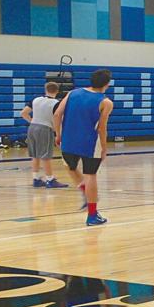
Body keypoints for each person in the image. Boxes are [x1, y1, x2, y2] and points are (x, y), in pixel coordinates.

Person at [53, 68, 114, 226]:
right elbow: (101, 128)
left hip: (68, 140)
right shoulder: (106, 102)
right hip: (90, 143)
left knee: (70, 167)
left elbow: (57, 114)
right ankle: (92, 215)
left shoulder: (73, 93)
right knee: (90, 175)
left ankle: (86, 194)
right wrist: (104, 147)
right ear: (107, 84)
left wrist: (58, 134)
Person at [19, 81, 66, 188]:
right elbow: (57, 118)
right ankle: (50, 179)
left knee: (35, 155)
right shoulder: (56, 103)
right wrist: (58, 133)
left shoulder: (36, 100)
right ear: (57, 91)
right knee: (46, 156)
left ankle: (36, 179)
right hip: (45, 128)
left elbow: (23, 113)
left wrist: (32, 121)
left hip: (32, 127)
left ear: (45, 89)